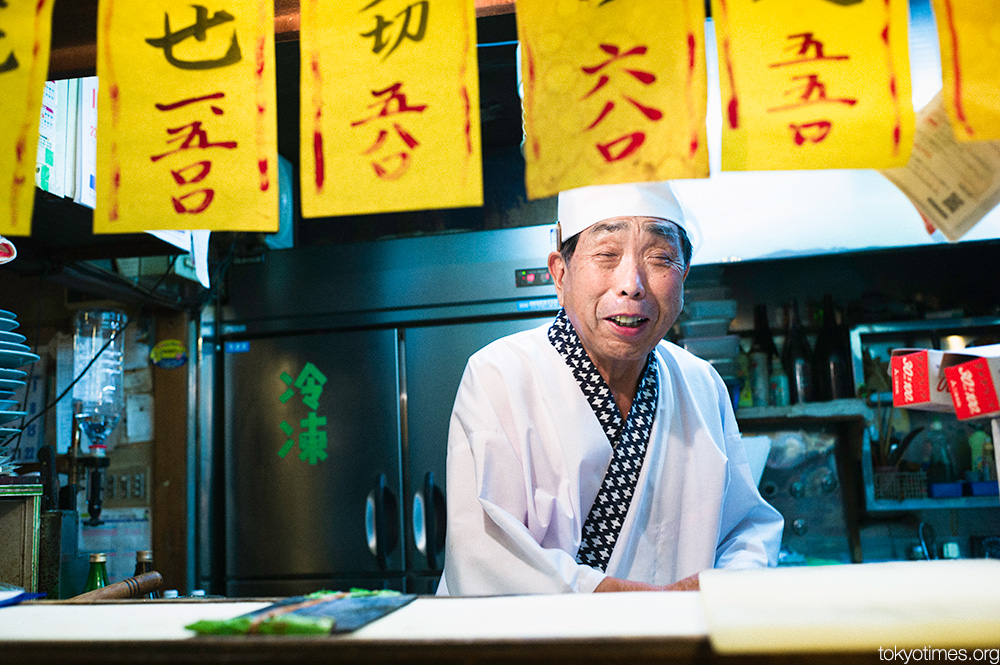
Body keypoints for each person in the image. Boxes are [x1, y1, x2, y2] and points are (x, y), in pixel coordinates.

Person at [437, 180, 783, 595]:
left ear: (685, 277)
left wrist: (722, 587)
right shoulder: (499, 374)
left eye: (660, 258)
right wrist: (626, 602)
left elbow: (746, 529)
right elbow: (484, 553)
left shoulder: (701, 383)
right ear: (560, 275)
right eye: (606, 255)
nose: (632, 283)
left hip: (682, 645)